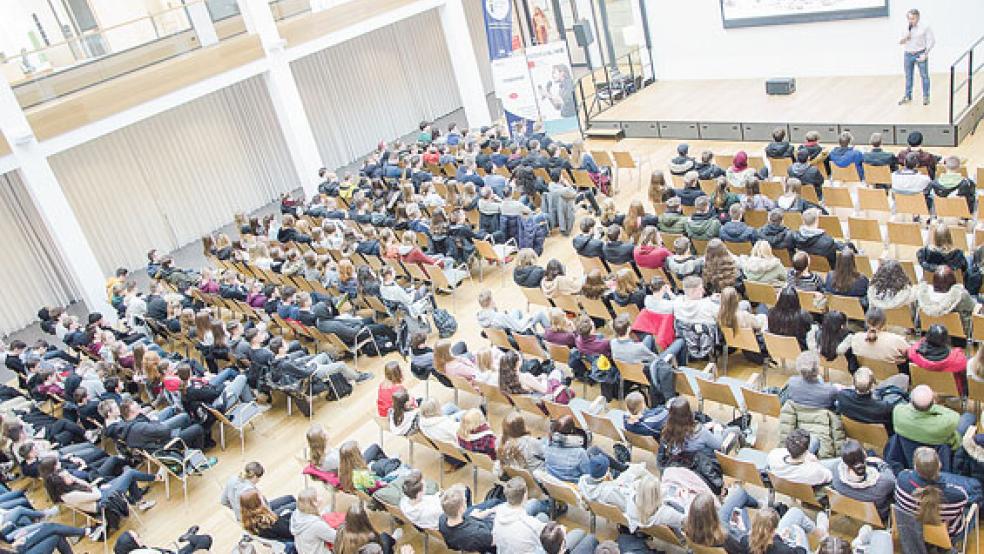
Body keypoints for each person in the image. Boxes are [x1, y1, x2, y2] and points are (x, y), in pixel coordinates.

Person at [895, 448, 970, 538]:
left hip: (909, 531)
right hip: (944, 537)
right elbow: (964, 497)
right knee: (969, 509)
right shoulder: (957, 496)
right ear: (939, 465)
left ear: (915, 466)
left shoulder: (901, 479)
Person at [831, 439, 895, 523]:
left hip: (852, 510)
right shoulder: (884, 482)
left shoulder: (836, 472)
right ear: (865, 455)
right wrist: (877, 461)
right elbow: (891, 477)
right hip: (878, 515)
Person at [893, 384, 973, 451]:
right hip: (948, 448)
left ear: (911, 401)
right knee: (970, 415)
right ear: (933, 403)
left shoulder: (897, 412)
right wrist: (934, 404)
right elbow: (955, 416)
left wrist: (925, 403)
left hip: (913, 451)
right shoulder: (946, 423)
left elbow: (905, 406)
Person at [837, 367, 905, 434]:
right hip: (881, 433)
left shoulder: (842, 396)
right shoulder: (884, 407)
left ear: (853, 383)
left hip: (856, 431)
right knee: (902, 379)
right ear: (872, 385)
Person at [492, 477, 548, 554]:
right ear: (525, 495)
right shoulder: (532, 524)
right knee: (543, 517)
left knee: (541, 515)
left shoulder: (499, 510)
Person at [916, 266, 975, 338]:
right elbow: (973, 308)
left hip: (930, 335)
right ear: (953, 281)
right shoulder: (961, 295)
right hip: (958, 338)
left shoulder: (923, 296)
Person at [908, 325, 968, 395]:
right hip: (951, 393)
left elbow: (916, 345)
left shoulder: (913, 352)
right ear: (947, 340)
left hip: (923, 389)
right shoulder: (958, 360)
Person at [438, 485, 496, 554]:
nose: (466, 503)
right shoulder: (478, 534)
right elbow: (496, 541)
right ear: (461, 509)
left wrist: (474, 517)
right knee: (495, 502)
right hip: (486, 538)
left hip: (465, 540)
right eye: (464, 502)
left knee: (492, 503)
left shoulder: (442, 519)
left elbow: (465, 523)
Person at [899, 8, 934, 105]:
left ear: (918, 18)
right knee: (908, 76)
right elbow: (900, 42)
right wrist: (905, 38)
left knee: (924, 76)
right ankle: (908, 96)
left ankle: (926, 96)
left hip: (920, 53)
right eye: (909, 18)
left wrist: (925, 53)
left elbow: (931, 41)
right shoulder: (905, 27)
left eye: (913, 18)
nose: (910, 21)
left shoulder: (925, 27)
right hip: (908, 54)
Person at [289, 488, 336, 554]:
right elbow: (337, 538)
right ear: (314, 503)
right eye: (318, 496)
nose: (322, 496)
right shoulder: (316, 525)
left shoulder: (296, 514)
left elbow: (321, 513)